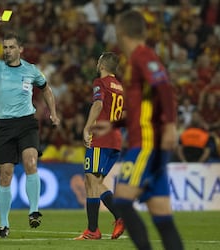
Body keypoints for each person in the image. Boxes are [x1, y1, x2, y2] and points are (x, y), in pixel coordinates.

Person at [91, 10, 183, 249]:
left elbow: (164, 88)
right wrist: (113, 124)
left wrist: (171, 126)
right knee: (162, 217)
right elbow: (140, 109)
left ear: (122, 32)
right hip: (149, 145)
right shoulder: (135, 64)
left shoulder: (142, 57)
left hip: (146, 144)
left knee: (121, 201)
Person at [0, 16, 60, 238]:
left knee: (31, 161)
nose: (6, 51)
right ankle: (4, 224)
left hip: (27, 123)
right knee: (5, 174)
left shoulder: (32, 70)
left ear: (21, 49)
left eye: (11, 47)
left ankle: (34, 211)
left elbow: (46, 89)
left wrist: (53, 112)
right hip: (4, 125)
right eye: (4, 47)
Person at [74, 52, 125, 240]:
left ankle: (93, 230)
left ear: (102, 65)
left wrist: (87, 128)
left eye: (98, 61)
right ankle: (116, 218)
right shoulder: (119, 86)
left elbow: (97, 104)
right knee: (94, 182)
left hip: (101, 138)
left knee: (91, 181)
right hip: (115, 140)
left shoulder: (100, 82)